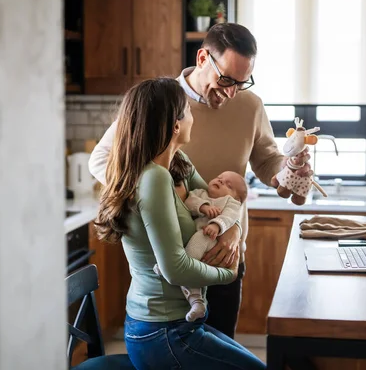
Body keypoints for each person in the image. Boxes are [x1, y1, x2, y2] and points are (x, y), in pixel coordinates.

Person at [89, 23, 312, 338]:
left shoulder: (251, 105)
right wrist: (160, 192)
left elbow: (266, 160)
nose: (231, 91)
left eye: (242, 82)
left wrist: (287, 171)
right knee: (176, 354)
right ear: (203, 57)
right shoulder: (162, 101)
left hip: (226, 251)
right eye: (226, 79)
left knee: (219, 348)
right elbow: (101, 160)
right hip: (170, 263)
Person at [94, 78, 266, 369]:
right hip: (161, 331)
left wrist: (233, 230)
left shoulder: (176, 163)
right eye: (187, 109)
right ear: (175, 126)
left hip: (175, 324)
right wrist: (229, 274)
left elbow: (221, 203)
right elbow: (174, 270)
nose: (193, 115)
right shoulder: (154, 178)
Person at [153, 171, 248, 323]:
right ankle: (197, 302)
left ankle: (170, 268)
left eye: (228, 185)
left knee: (198, 241)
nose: (220, 181)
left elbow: (230, 216)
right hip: (198, 237)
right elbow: (189, 201)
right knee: (196, 272)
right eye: (219, 177)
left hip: (213, 240)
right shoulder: (200, 193)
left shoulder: (231, 203)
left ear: (236, 197)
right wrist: (203, 207)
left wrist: (217, 225)